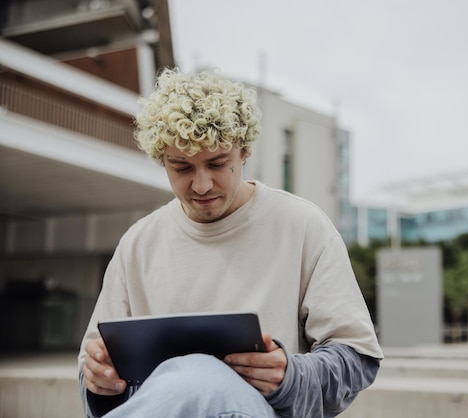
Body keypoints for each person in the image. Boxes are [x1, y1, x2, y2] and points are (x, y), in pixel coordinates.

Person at [77, 68, 383, 418]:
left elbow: (357, 359)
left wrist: (290, 377)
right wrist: (101, 384)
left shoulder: (303, 226)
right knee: (192, 379)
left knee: (200, 377)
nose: (202, 185)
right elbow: (91, 365)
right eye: (182, 168)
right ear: (161, 160)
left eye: (217, 163)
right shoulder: (137, 244)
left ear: (244, 152)